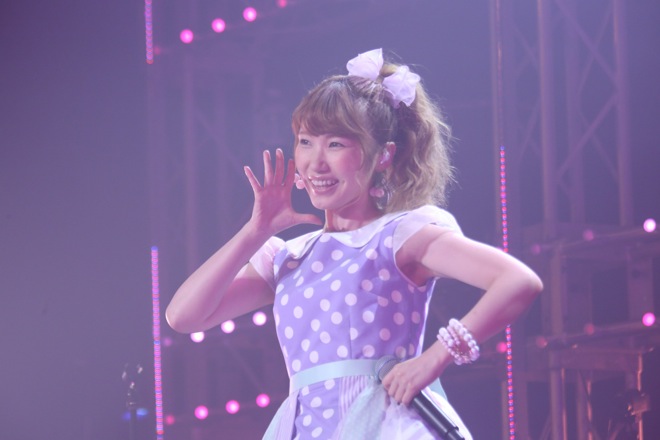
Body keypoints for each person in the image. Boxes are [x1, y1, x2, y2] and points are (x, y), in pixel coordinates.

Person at [166, 48, 543, 439]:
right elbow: (183, 316)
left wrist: (434, 358)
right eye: (306, 141)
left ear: (383, 156)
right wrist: (255, 231)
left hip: (386, 424)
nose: (316, 162)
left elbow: (518, 281)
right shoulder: (288, 256)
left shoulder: (399, 235)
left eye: (336, 144)